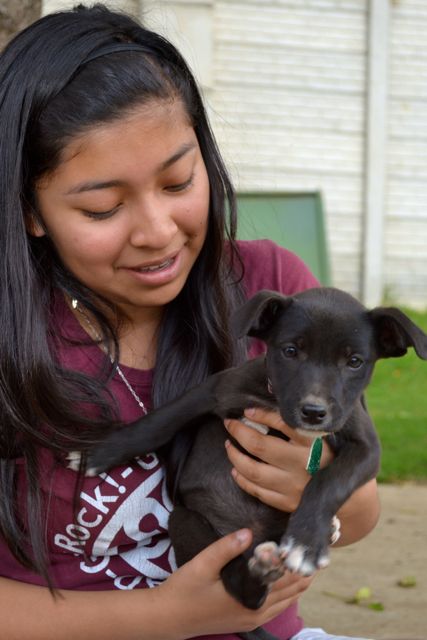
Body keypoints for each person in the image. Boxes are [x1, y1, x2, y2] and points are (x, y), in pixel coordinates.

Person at [0, 4, 379, 639]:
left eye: (178, 182)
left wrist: (314, 499)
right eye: (103, 207)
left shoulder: (277, 293)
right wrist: (165, 617)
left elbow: (361, 512)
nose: (157, 232)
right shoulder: (16, 340)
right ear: (29, 211)